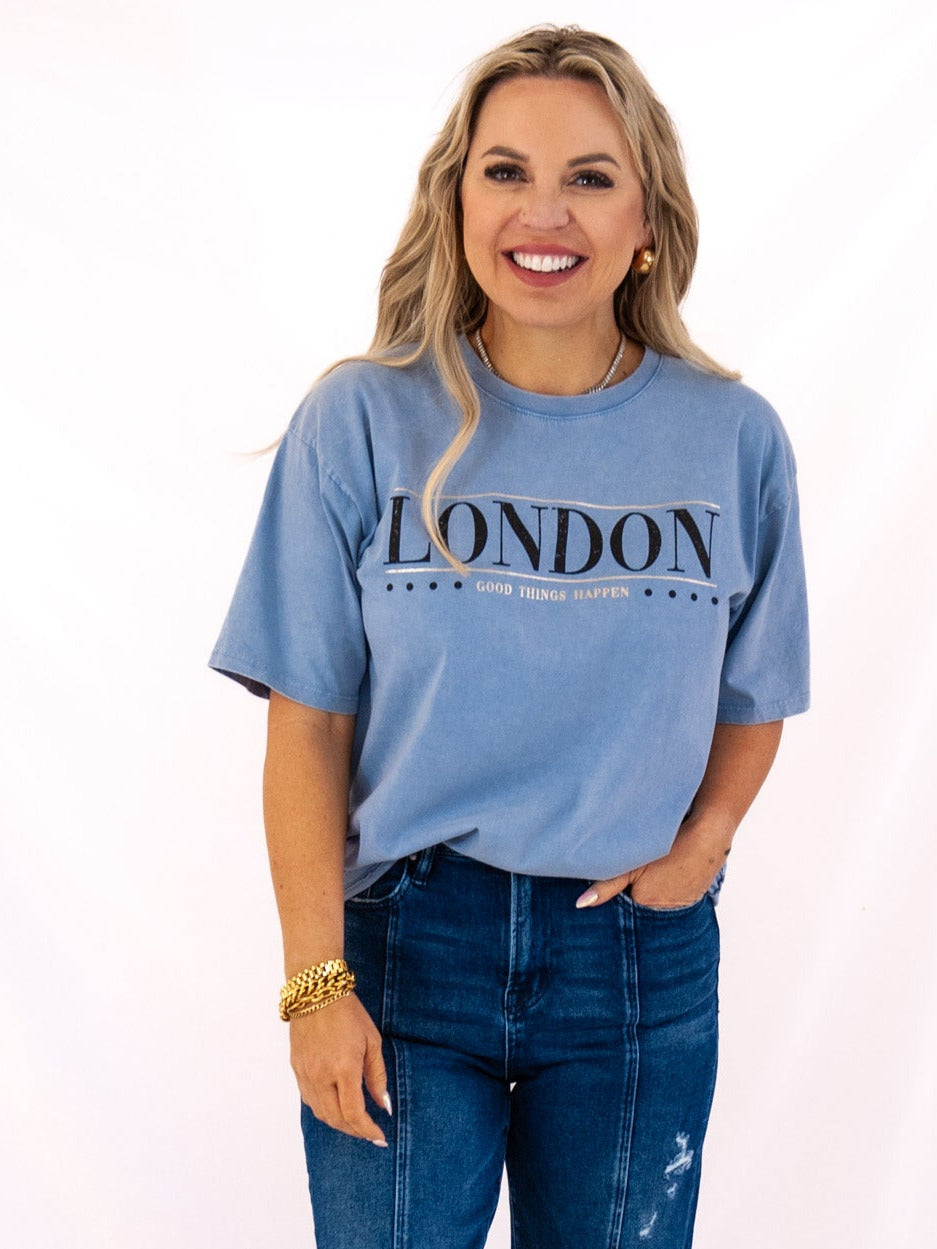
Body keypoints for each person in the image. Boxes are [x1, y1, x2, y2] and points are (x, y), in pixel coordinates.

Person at [209, 24, 809, 1249]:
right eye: (506, 172)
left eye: (589, 176)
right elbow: (307, 726)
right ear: (458, 202)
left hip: (632, 963)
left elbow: (755, 696)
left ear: (647, 220)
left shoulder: (732, 439)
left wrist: (702, 847)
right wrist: (313, 983)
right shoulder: (361, 420)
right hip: (406, 952)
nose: (545, 212)